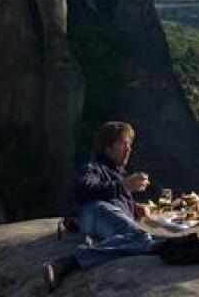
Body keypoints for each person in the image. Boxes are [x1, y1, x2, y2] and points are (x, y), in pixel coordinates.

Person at [42, 121, 159, 292]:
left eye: (129, 144)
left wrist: (133, 207)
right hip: (95, 213)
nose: (128, 149)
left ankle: (92, 248)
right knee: (140, 238)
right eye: (122, 144)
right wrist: (124, 185)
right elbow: (83, 190)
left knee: (142, 242)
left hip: (103, 220)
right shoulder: (93, 167)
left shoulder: (118, 172)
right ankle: (65, 263)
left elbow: (114, 198)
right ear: (107, 148)